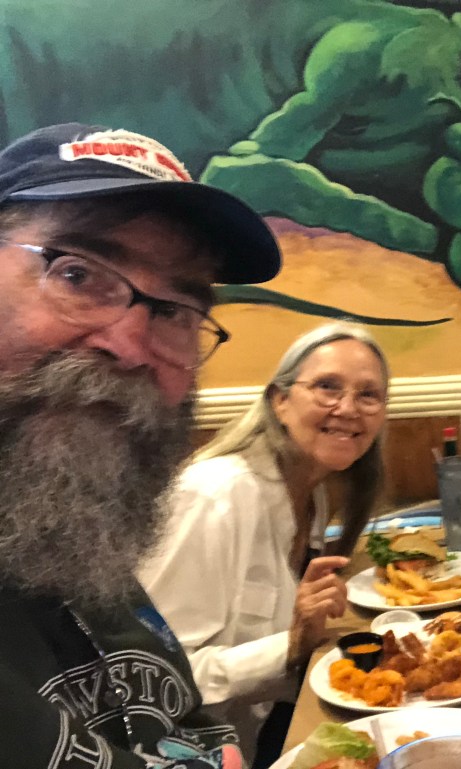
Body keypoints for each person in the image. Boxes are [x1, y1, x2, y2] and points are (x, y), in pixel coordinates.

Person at [0, 123, 281, 766]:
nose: (130, 346)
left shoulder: (63, 535)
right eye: (76, 274)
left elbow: (182, 731)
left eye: (174, 312)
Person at [139, 321, 389, 764]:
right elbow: (154, 680)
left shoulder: (311, 491)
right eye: (327, 387)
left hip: (272, 722)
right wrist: (291, 645)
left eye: (368, 394)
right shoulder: (213, 496)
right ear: (280, 400)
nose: (349, 408)